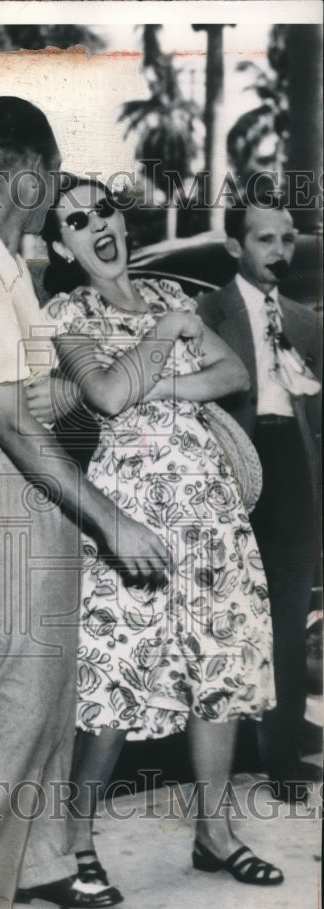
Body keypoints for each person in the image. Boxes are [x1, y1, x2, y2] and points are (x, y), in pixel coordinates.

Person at [0, 98, 169, 909]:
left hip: (26, 481)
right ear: (27, 173)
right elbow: (12, 431)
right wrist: (114, 520)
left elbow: (34, 403)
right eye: (49, 173)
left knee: (53, 686)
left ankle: (45, 855)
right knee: (18, 694)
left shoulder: (8, 272)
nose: (53, 187)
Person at [31, 175, 280, 900]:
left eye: (103, 209)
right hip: (131, 509)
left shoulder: (174, 297)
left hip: (209, 503)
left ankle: (216, 832)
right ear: (62, 246)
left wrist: (167, 379)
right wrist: (167, 344)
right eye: (77, 221)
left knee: (219, 666)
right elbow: (104, 395)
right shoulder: (66, 310)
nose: (97, 225)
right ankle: (75, 839)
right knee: (118, 675)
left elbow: (233, 372)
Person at [197, 197, 322, 800]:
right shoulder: (207, 313)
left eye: (288, 239)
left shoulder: (305, 321)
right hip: (236, 474)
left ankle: (283, 761)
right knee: (231, 618)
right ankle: (229, 752)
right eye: (265, 239)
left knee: (289, 621)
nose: (280, 252)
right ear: (234, 247)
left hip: (293, 472)